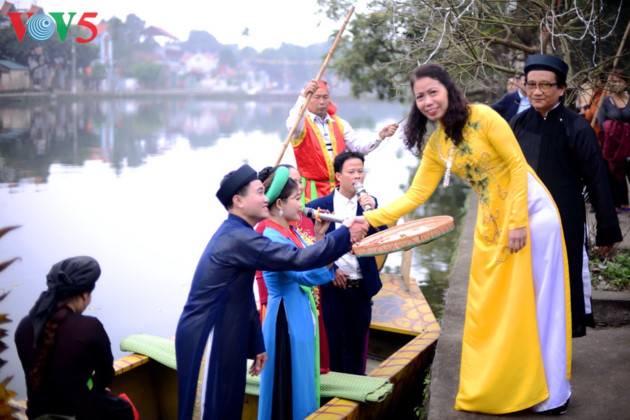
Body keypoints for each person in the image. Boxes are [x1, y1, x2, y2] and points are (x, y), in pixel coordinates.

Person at [358, 63, 571, 414]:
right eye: (420, 96)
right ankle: (508, 386)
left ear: (449, 89)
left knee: (538, 304)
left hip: (530, 214)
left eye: (433, 92)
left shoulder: (483, 117)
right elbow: (415, 195)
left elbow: (516, 165)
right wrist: (367, 220)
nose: (427, 101)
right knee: (494, 309)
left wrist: (518, 222)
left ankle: (552, 394)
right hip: (491, 223)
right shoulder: (437, 144)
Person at [174, 164, 367, 420]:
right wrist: (345, 234)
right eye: (259, 192)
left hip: (227, 331)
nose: (267, 197)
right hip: (207, 334)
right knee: (210, 411)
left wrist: (257, 344)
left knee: (229, 407)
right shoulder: (238, 238)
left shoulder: (242, 234)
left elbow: (244, 295)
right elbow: (298, 260)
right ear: (238, 200)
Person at [511, 54, 622, 338]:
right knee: (526, 277)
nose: (537, 91)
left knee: (563, 276)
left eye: (545, 85)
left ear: (561, 89)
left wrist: (607, 229)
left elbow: (597, 178)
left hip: (564, 217)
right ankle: (528, 337)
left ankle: (559, 339)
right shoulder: (518, 124)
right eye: (531, 84)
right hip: (524, 217)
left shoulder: (576, 126)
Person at [14, 256, 135, 420]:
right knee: (125, 409)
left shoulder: (24, 325)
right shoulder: (90, 327)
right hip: (79, 415)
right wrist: (95, 388)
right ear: (85, 295)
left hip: (38, 414)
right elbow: (105, 376)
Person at [257, 166, 333, 420]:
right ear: (279, 203)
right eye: (296, 198)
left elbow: (310, 260)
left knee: (303, 378)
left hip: (298, 312)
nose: (301, 204)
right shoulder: (272, 238)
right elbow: (305, 274)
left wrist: (321, 236)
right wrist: (339, 245)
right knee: (288, 386)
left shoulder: (289, 231)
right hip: (285, 320)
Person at [306, 151, 386, 375]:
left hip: (361, 287)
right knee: (331, 346)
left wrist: (374, 213)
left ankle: (355, 390)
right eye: (351, 172)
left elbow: (383, 239)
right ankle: (330, 391)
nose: (357, 176)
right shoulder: (318, 206)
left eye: (360, 171)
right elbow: (309, 247)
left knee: (356, 349)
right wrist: (332, 270)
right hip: (331, 289)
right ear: (338, 176)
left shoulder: (370, 205)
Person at [286, 79, 398, 203]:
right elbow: (292, 126)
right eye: (317, 97)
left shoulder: (340, 123)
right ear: (308, 99)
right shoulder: (300, 125)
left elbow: (359, 149)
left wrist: (380, 136)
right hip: (312, 190)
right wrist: (302, 96)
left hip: (340, 189)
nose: (322, 102)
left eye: (325, 97)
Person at [597, 68, 630, 213]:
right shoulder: (606, 101)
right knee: (614, 174)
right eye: (613, 82)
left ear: (626, 83)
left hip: (628, 144)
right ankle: (617, 203)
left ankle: (625, 202)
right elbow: (601, 123)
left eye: (619, 81)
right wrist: (615, 129)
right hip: (612, 146)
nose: (616, 84)